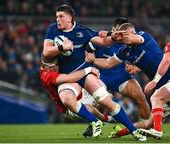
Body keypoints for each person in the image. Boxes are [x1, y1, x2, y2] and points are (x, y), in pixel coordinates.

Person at [42, 5, 146, 141]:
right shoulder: (52, 30)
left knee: (106, 101)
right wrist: (61, 47)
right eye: (56, 17)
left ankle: (134, 131)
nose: (57, 19)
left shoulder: (82, 32)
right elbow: (46, 52)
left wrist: (113, 37)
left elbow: (103, 41)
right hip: (68, 78)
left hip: (85, 74)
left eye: (61, 16)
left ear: (70, 18)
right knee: (67, 99)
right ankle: (95, 122)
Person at [85, 23, 170, 138]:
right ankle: (121, 132)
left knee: (155, 98)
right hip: (162, 87)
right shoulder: (125, 51)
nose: (126, 38)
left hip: (166, 79)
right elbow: (108, 63)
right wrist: (93, 60)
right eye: (123, 36)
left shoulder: (144, 37)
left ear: (132, 32)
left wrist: (111, 34)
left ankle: (157, 132)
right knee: (149, 123)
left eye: (127, 35)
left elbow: (134, 38)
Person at [40, 57, 103, 137]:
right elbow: (70, 78)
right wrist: (89, 69)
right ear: (45, 67)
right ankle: (98, 121)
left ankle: (100, 121)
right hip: (68, 108)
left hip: (80, 93)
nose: (55, 68)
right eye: (52, 67)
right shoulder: (47, 75)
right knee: (88, 107)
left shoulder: (51, 67)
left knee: (103, 94)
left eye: (56, 65)